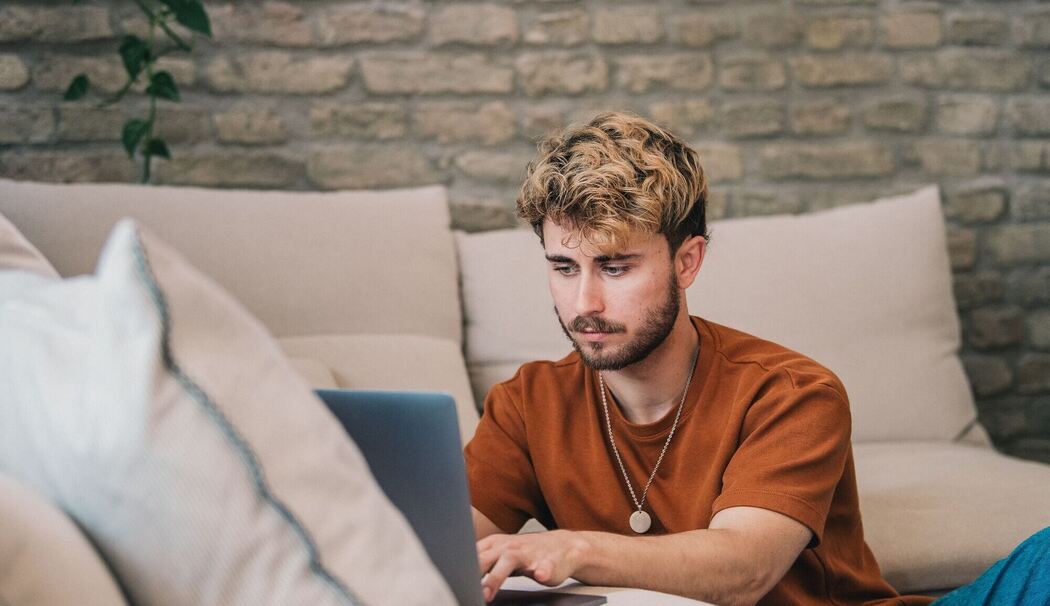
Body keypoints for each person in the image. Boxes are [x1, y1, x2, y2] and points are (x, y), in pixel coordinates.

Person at [463, 112, 1049, 606]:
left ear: (687, 262)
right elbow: (441, 547)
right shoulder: (526, 403)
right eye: (564, 268)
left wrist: (570, 547)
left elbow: (743, 567)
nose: (584, 302)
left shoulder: (791, 392)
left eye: (615, 267)